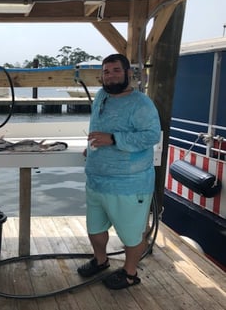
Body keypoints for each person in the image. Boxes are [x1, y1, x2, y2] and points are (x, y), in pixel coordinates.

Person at [78, 54, 161, 290]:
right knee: (95, 229)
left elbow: (151, 136)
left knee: (132, 236)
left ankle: (129, 273)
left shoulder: (142, 104)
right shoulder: (101, 96)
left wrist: (113, 139)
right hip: (96, 179)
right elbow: (99, 128)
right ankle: (101, 260)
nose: (110, 75)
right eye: (106, 71)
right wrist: (91, 149)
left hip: (129, 183)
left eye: (116, 70)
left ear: (128, 74)